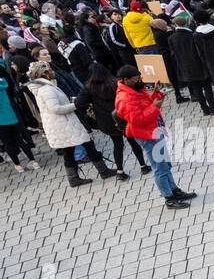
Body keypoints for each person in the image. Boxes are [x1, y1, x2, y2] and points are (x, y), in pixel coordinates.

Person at [114, 64, 196, 209]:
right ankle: (169, 199)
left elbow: (146, 103)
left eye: (140, 77)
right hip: (147, 135)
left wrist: (156, 94)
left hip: (154, 130)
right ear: (126, 80)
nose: (140, 80)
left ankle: (174, 191)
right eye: (136, 78)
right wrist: (155, 107)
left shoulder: (134, 89)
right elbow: (137, 120)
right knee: (160, 167)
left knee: (165, 164)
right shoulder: (125, 98)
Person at [26, 60, 111, 187]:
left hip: (62, 125)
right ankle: (101, 172)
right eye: (49, 70)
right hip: (63, 125)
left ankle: (76, 177)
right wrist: (75, 105)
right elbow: (55, 108)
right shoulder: (46, 89)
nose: (52, 71)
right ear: (44, 74)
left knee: (73, 150)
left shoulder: (47, 87)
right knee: (84, 145)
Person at [74, 62, 141, 179]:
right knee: (132, 141)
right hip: (122, 117)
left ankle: (120, 172)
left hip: (105, 121)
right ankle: (143, 166)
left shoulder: (88, 88)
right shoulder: (116, 83)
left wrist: (90, 112)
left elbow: (79, 104)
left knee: (117, 144)